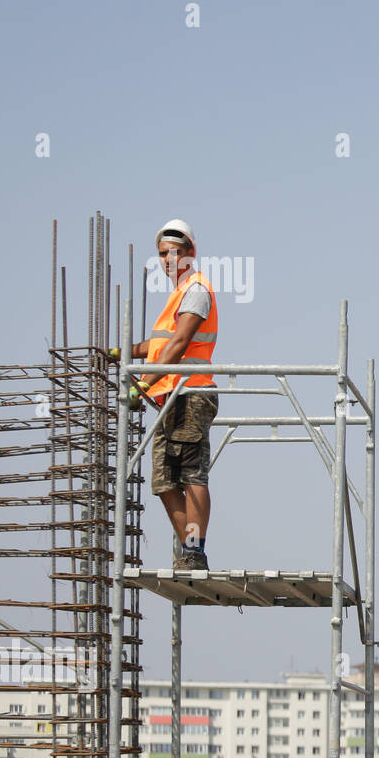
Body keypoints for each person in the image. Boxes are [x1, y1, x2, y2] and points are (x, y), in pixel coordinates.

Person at [126, 219, 220, 570]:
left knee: (193, 474)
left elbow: (180, 343)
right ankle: (191, 549)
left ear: (190, 253)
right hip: (170, 399)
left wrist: (144, 383)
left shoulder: (196, 288)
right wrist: (126, 352)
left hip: (192, 393)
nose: (168, 260)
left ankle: (194, 550)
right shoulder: (178, 295)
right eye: (163, 254)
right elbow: (162, 343)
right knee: (164, 481)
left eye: (174, 253)